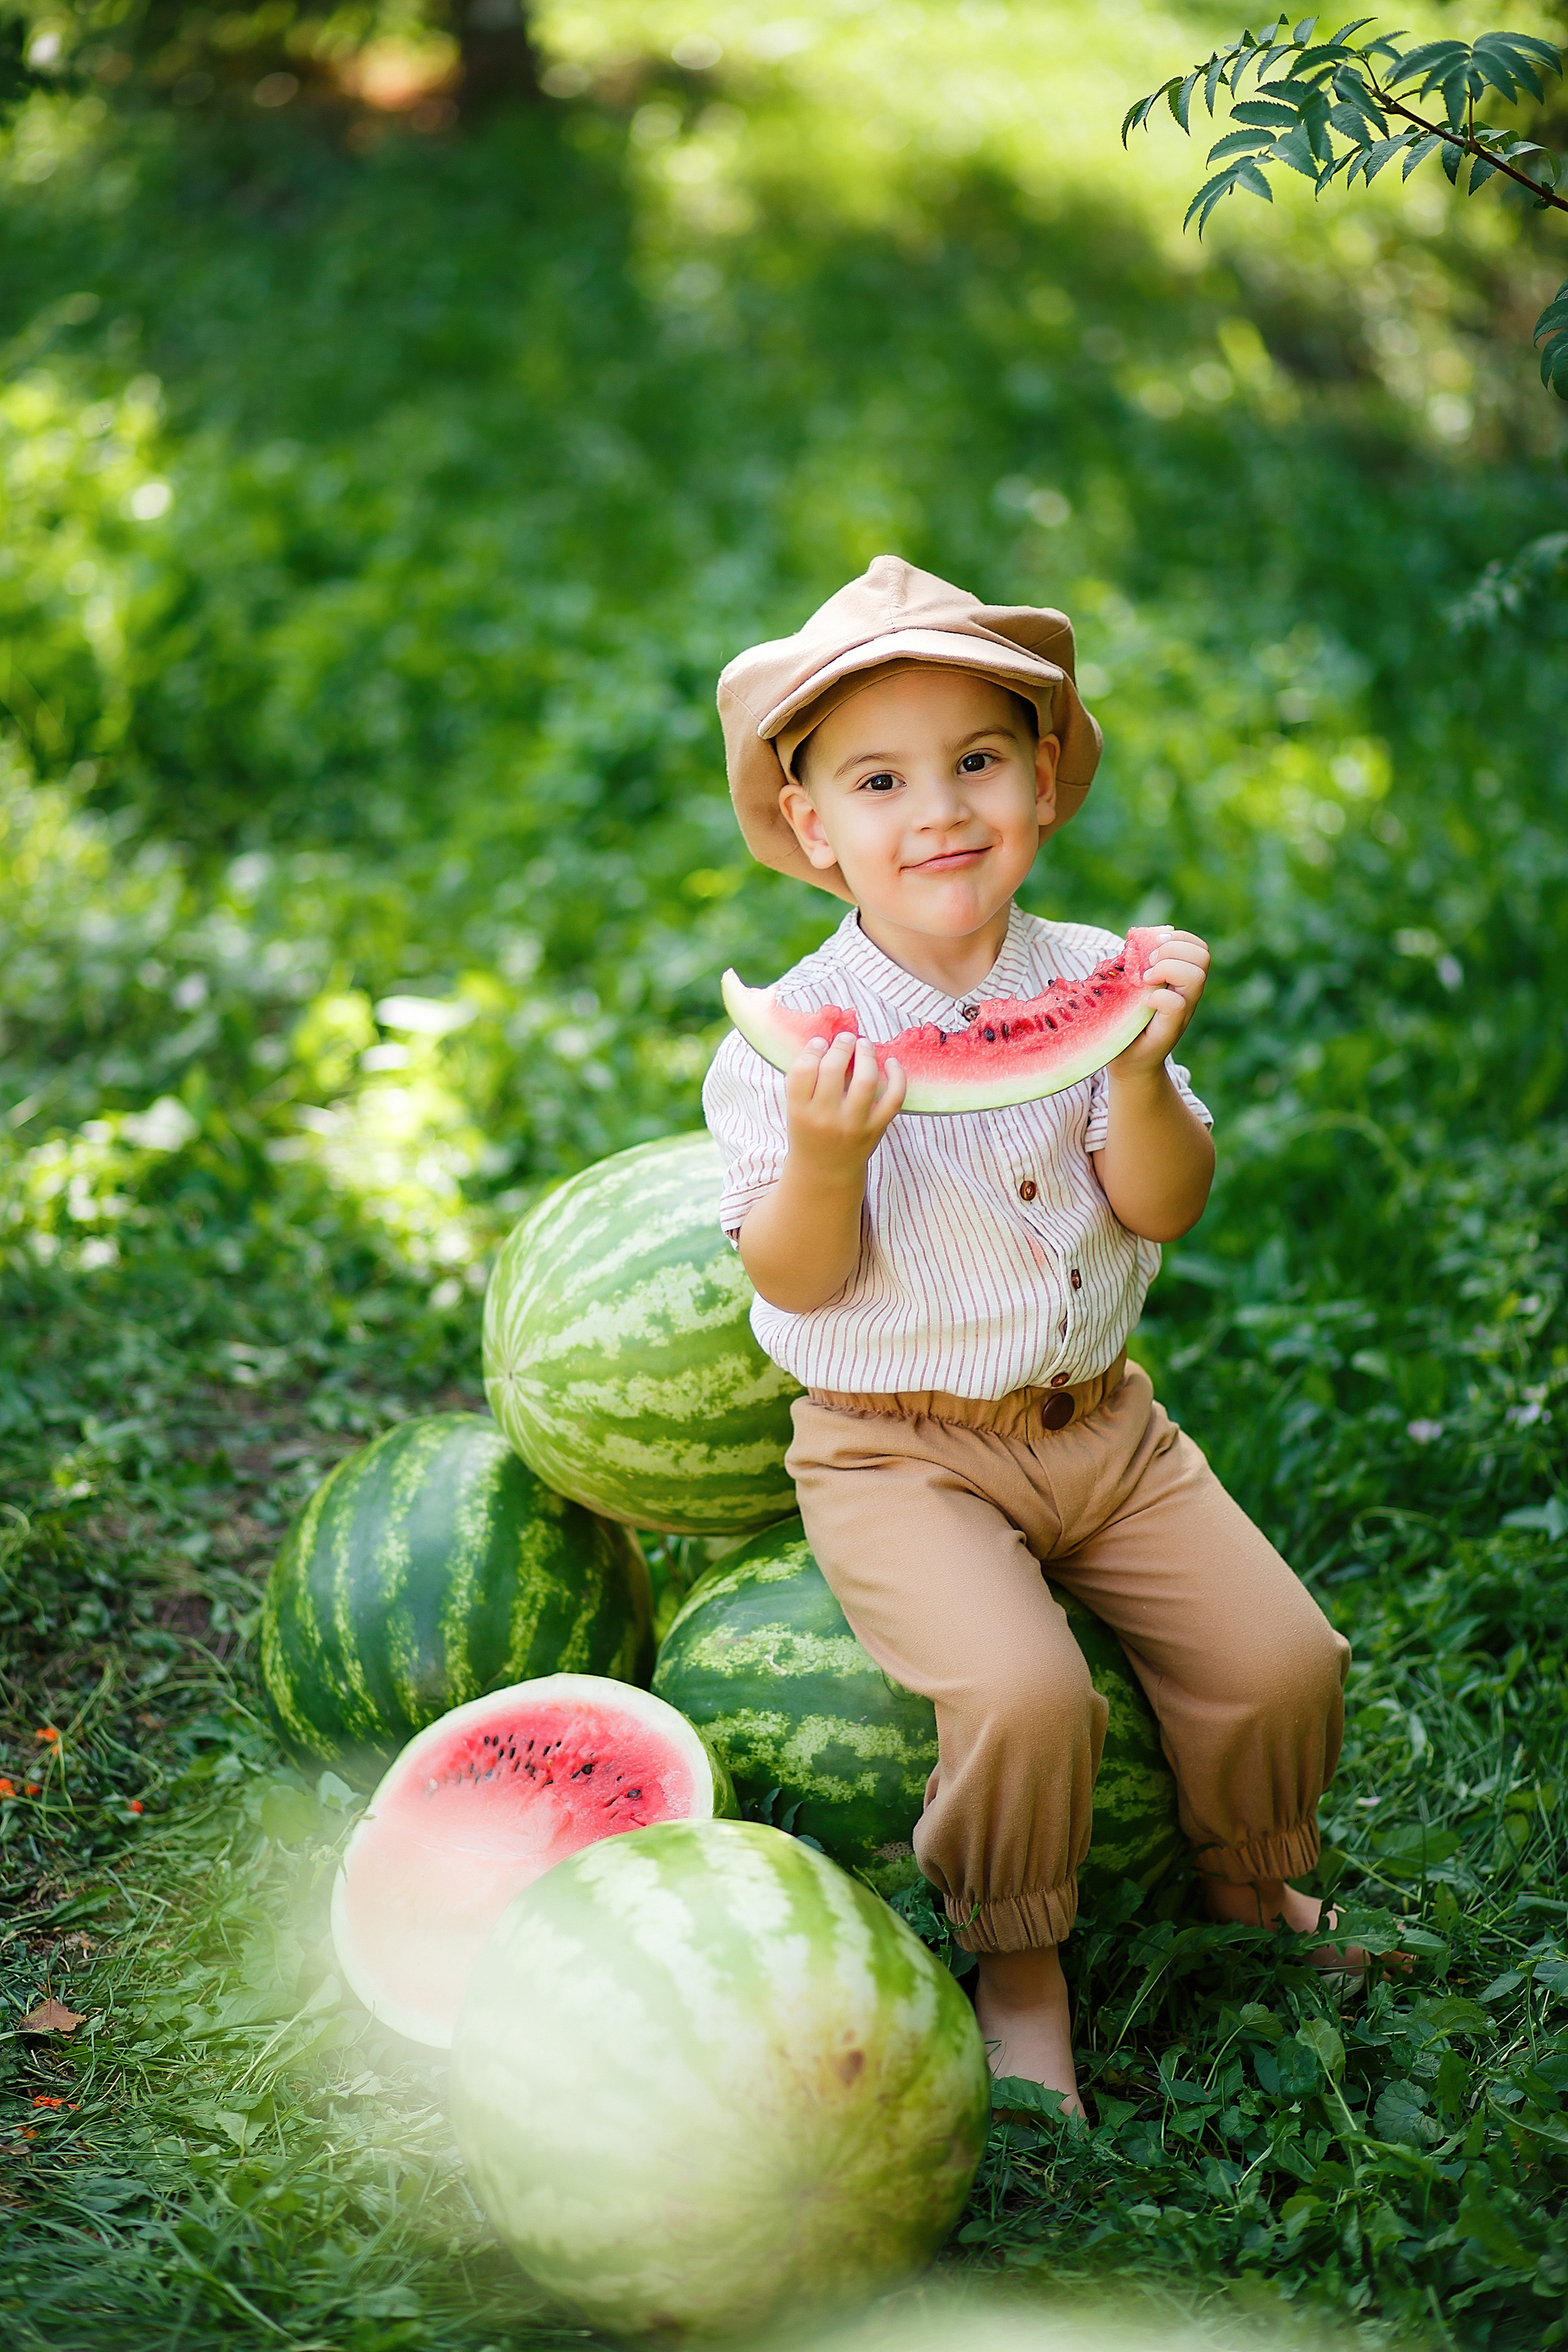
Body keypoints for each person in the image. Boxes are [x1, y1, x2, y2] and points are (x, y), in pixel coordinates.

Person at [703, 556, 1354, 2116]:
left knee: (1285, 1660)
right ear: (811, 826)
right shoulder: (785, 1044)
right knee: (1023, 1696)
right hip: (896, 1455)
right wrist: (828, 1158)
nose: (938, 810)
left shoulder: (1091, 981)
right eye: (879, 780)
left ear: (1042, 783)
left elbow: (1161, 1201)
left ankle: (1249, 1878)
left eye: (978, 761)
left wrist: (1132, 1071)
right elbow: (793, 1279)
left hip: (1106, 1429)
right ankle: (1017, 1970)